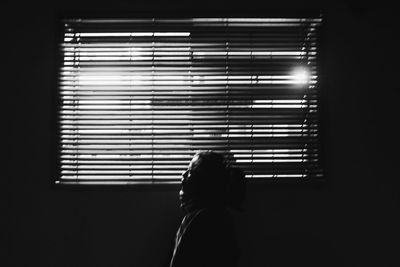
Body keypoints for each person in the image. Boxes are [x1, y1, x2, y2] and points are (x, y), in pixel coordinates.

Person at [169, 151, 245, 267]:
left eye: (190, 171)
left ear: (203, 182)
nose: (183, 175)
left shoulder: (204, 220)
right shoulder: (209, 216)